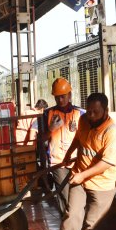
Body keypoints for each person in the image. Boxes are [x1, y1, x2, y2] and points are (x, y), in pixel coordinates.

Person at [53, 92, 116, 230]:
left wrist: (82, 175)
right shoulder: (84, 119)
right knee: (72, 215)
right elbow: (78, 139)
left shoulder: (112, 132)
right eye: (89, 111)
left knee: (91, 225)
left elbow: (106, 162)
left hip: (102, 184)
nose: (91, 115)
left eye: (96, 112)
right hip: (80, 176)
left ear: (105, 111)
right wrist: (68, 155)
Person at [43, 79, 84, 212]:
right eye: (57, 97)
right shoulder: (47, 114)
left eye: (63, 96)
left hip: (77, 162)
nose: (60, 100)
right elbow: (40, 140)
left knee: (77, 199)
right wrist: (51, 129)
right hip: (58, 163)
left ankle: (74, 226)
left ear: (70, 95)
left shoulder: (80, 113)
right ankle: (69, 226)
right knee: (66, 199)